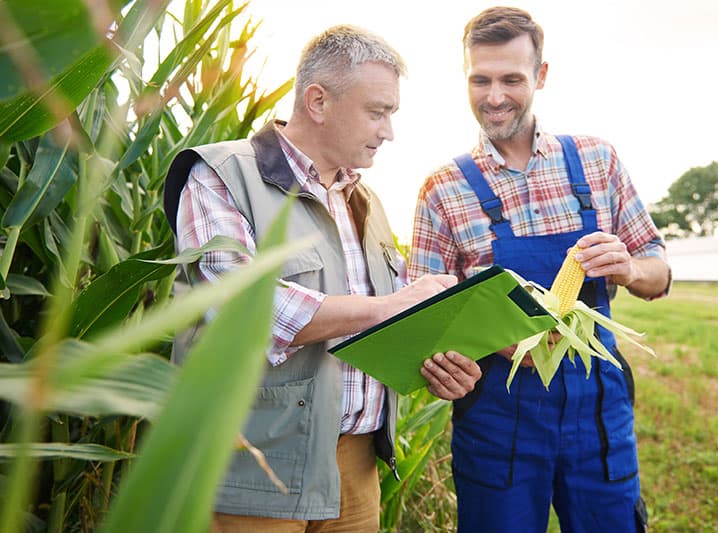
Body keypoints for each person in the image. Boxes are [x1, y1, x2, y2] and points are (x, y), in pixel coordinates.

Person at [162, 25, 482, 532]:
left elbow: (389, 325)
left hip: (356, 469)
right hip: (254, 465)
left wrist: (438, 366)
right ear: (317, 101)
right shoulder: (220, 176)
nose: (388, 131)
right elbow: (241, 309)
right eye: (377, 112)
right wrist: (388, 307)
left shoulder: (367, 202)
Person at [409, 6, 671, 533]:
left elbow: (658, 274)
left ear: (541, 75)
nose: (494, 96)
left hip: (597, 408)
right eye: (480, 80)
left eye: (511, 79)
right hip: (496, 416)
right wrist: (481, 346)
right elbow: (424, 317)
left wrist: (627, 269)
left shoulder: (597, 161)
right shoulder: (442, 190)